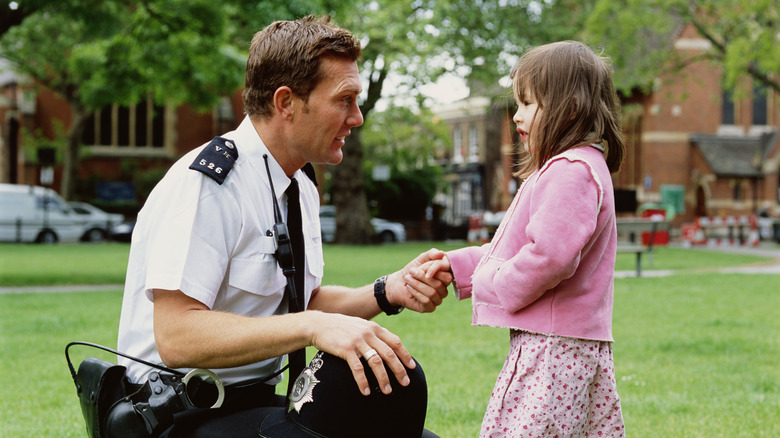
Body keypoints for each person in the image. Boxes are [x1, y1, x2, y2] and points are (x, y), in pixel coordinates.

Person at [115, 15, 448, 437]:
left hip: (253, 403)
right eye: (344, 100)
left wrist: (389, 290)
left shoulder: (300, 185)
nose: (357, 117)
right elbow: (177, 336)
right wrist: (312, 326)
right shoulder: (208, 185)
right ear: (286, 102)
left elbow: (299, 302)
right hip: (176, 413)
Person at [420, 41, 626, 437]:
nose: (517, 116)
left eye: (528, 103)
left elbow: (549, 258)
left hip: (553, 350)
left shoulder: (571, 170)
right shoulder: (576, 167)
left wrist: (494, 283)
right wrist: (459, 265)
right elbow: (520, 246)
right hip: (563, 345)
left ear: (569, 107)